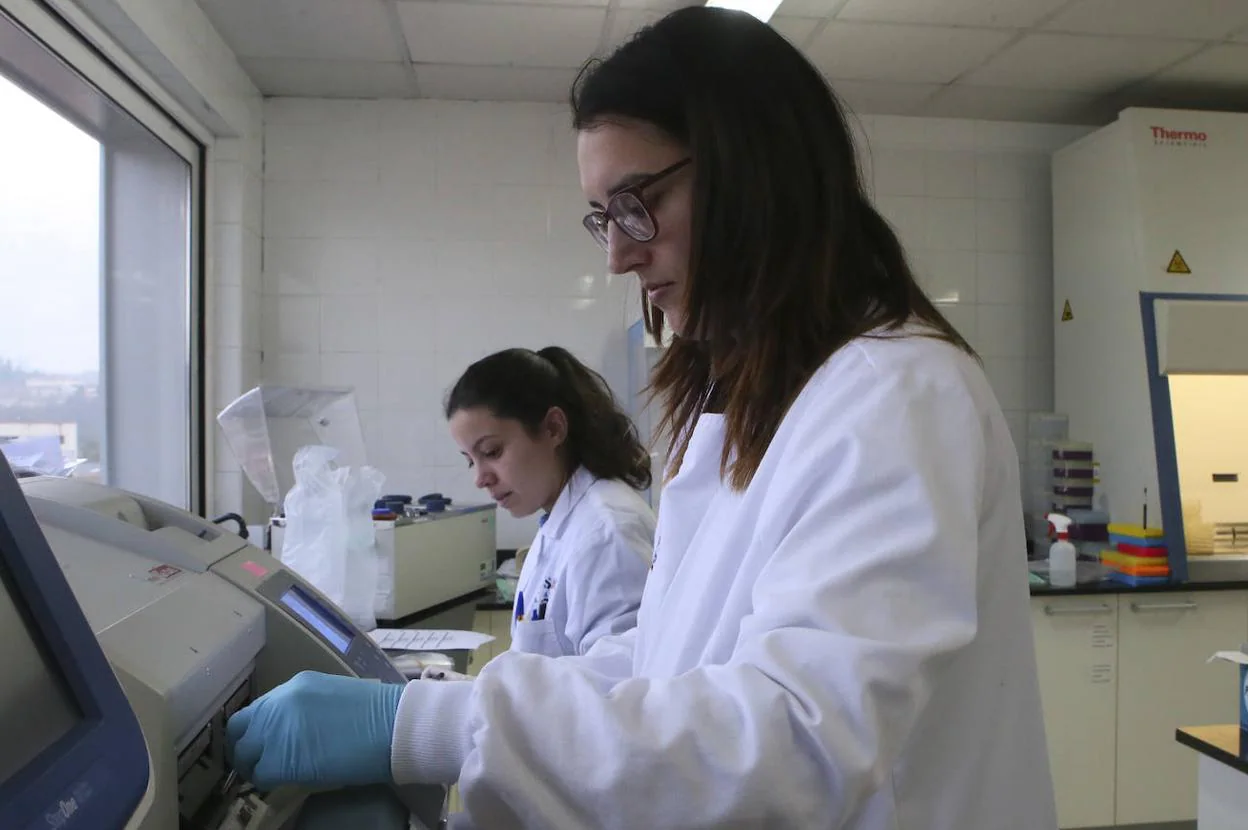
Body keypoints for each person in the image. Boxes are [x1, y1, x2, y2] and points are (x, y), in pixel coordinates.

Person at [224, 7, 1057, 829]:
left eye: (637, 201)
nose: (619, 253)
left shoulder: (895, 394)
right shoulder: (751, 399)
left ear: (753, 172)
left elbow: (795, 740)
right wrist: (437, 713)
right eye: (604, 217)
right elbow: (666, 663)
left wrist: (426, 731)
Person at [427, 346, 655, 677]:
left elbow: (617, 695)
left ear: (553, 429)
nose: (480, 478)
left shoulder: (607, 532)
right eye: (470, 460)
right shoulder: (561, 520)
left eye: (492, 451)